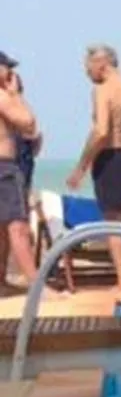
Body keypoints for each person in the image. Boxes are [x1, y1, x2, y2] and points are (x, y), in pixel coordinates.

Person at [65, 44, 121, 294]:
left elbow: (102, 131)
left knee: (114, 222)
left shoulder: (103, 90)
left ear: (100, 64)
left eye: (87, 67)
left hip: (114, 158)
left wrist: (81, 167)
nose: (86, 73)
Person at [0, 51, 42, 292]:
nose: (12, 73)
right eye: (8, 68)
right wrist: (15, 95)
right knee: (18, 226)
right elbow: (28, 123)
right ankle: (37, 286)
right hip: (4, 167)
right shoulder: (4, 96)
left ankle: (1, 281)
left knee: (2, 230)